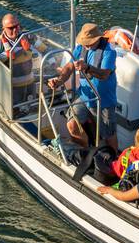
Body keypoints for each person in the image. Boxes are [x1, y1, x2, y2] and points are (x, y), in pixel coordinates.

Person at [48, 22, 119, 151]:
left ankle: (113, 162)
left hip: (104, 101)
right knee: (72, 125)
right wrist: (58, 81)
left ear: (97, 39)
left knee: (109, 135)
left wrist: (87, 68)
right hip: (84, 97)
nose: (86, 45)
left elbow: (104, 75)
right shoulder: (80, 48)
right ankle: (85, 154)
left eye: (89, 42)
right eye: (85, 42)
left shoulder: (109, 52)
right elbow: (69, 67)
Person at [0, 13, 35, 107]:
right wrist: (5, 55)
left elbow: (45, 50)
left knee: (32, 107)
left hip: (30, 83)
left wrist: (54, 65)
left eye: (17, 26)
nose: (15, 30)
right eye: (11, 28)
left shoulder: (29, 37)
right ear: (4, 29)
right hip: (12, 88)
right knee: (16, 110)